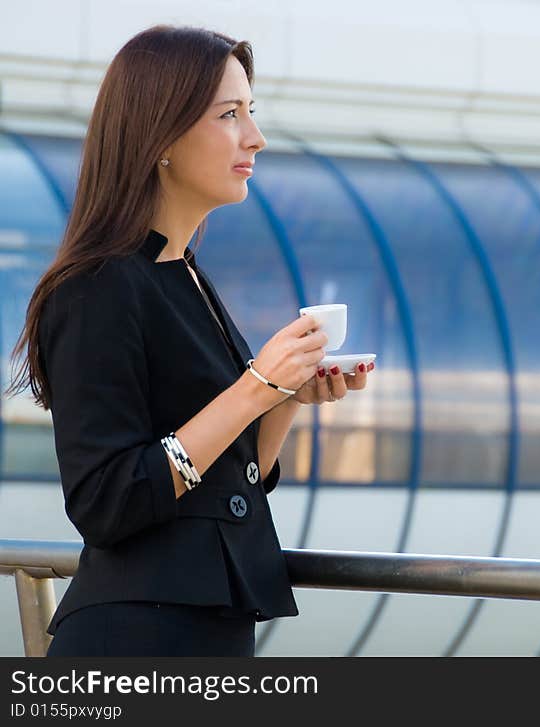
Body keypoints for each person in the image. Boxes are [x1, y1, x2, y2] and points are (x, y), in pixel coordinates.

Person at [4, 24, 374, 656]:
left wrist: (284, 396)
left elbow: (230, 474)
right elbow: (106, 501)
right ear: (161, 135)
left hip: (204, 630)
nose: (254, 137)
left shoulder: (186, 276)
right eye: (229, 115)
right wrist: (255, 385)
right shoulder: (97, 286)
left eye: (250, 113)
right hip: (135, 641)